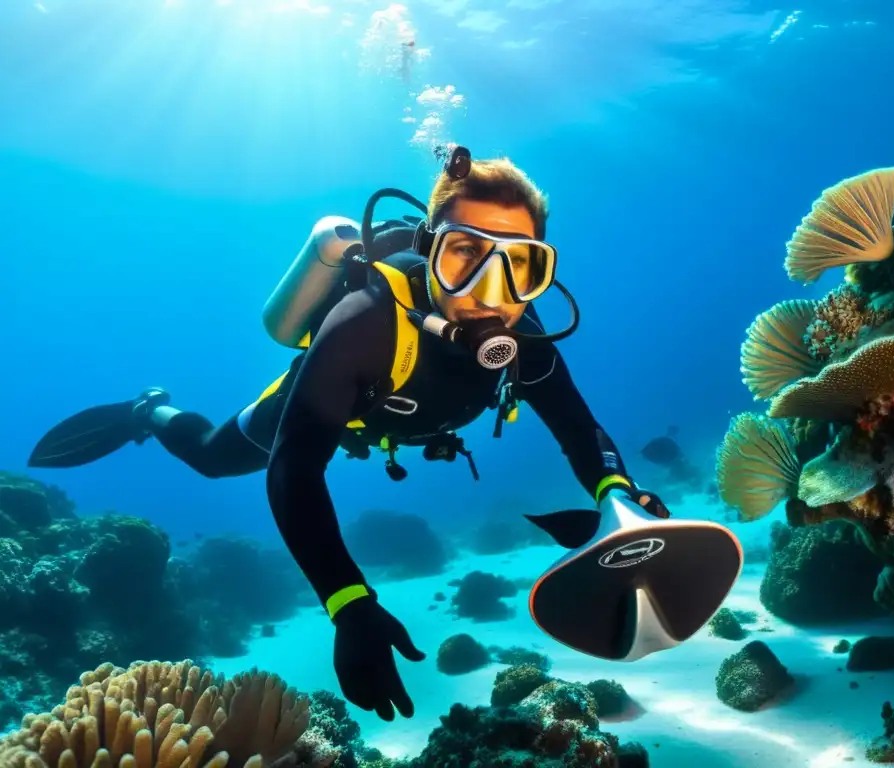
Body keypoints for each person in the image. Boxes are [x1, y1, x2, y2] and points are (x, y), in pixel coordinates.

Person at [28, 146, 684, 723]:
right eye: (465, 256)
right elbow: (295, 469)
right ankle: (147, 410)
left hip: (402, 416)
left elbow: (579, 427)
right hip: (344, 398)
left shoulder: (527, 341)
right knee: (212, 459)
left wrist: (618, 495)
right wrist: (348, 602)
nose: (493, 291)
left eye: (522, 267)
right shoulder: (366, 321)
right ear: (430, 250)